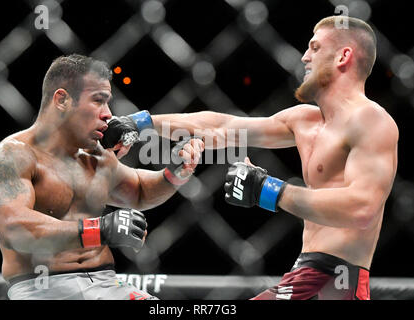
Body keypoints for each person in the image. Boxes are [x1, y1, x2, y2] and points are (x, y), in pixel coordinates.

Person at [149, 16, 399, 300]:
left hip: (336, 281)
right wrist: (143, 123)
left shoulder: (371, 120)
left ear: (343, 56)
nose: (305, 57)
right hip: (307, 273)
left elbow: (362, 209)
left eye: (315, 48)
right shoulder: (304, 120)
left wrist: (267, 190)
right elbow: (223, 127)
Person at [0, 54, 204, 300]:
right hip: (42, 289)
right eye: (98, 101)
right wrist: (98, 230)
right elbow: (14, 228)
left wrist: (175, 173)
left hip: (106, 284)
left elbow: (139, 191)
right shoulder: (11, 156)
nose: (108, 114)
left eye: (108, 103)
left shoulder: (95, 155)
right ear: (62, 99)